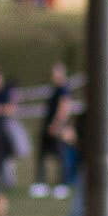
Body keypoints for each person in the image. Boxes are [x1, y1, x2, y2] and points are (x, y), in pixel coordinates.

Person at [31, 63, 72, 198]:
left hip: (56, 128)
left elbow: (64, 108)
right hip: (49, 127)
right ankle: (41, 183)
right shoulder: (54, 89)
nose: (53, 76)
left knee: (60, 156)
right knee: (43, 155)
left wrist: (56, 125)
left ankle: (63, 184)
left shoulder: (63, 89)